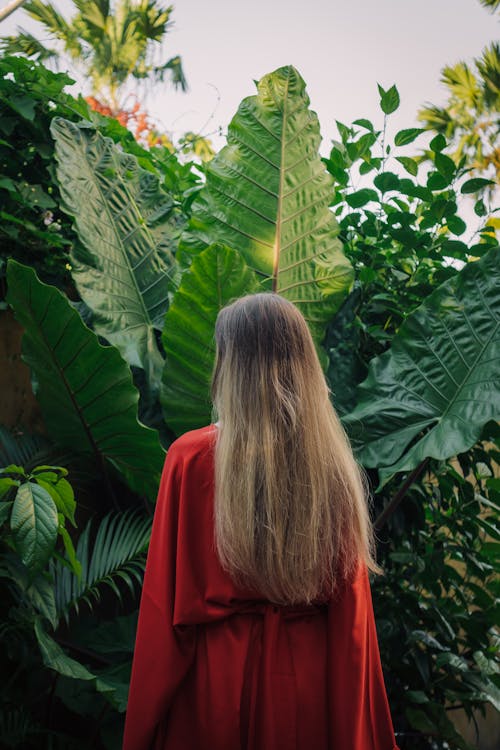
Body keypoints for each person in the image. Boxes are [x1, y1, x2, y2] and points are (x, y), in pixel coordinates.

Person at [122, 292, 399, 750]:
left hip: (216, 686)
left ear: (232, 367)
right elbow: (353, 627)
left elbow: (161, 614)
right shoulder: (332, 469)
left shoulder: (190, 459)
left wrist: (143, 731)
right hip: (308, 683)